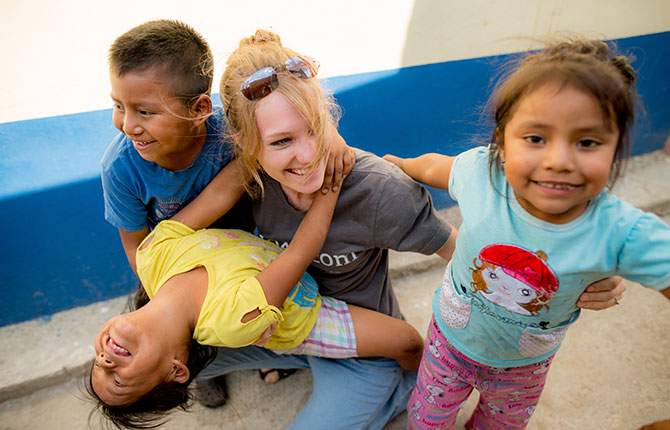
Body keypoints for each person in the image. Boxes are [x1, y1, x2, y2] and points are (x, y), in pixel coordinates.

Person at [188, 30, 626, 429]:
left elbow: (462, 251)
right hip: (283, 324)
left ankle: (398, 389)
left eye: (317, 128)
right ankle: (293, 362)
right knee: (162, 360)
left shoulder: (379, 192)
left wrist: (564, 274)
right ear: (245, 143)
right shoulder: (241, 186)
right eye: (283, 141)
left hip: (361, 349)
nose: (309, 154)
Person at [383, 38, 670, 429]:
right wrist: (399, 164)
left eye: (587, 142)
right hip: (447, 345)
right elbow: (437, 168)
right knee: (426, 419)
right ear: (500, 143)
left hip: (523, 369)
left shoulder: (620, 231)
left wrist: (615, 275)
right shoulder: (481, 174)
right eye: (536, 138)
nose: (559, 161)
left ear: (616, 147)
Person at [100, 20, 353, 408]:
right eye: (119, 106)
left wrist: (331, 136)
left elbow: (300, 120)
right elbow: (137, 249)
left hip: (247, 251)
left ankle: (272, 358)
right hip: (180, 264)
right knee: (195, 338)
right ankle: (205, 369)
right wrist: (171, 304)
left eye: (145, 111)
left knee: (261, 320)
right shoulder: (121, 170)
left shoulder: (232, 131)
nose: (128, 125)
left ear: (201, 108)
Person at [88, 182, 426, 429]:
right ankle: (409, 388)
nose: (105, 362)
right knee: (405, 341)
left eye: (98, 366)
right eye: (118, 381)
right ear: (177, 370)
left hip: (263, 317)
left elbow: (219, 194)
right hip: (305, 322)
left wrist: (250, 149)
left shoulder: (151, 256)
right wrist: (329, 186)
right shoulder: (232, 319)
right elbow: (300, 251)